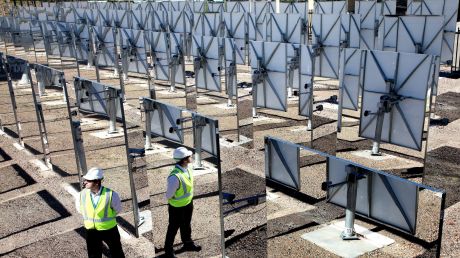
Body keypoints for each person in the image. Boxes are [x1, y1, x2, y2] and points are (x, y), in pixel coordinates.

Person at [76, 167, 125, 258]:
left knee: (117, 253)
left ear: (97, 182)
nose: (85, 182)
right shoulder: (81, 194)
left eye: (88, 180)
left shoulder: (111, 194)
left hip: (109, 230)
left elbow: (118, 210)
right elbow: (80, 210)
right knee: (93, 255)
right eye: (85, 180)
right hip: (91, 231)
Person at [164, 147, 202, 258]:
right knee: (173, 229)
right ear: (185, 160)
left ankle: (188, 244)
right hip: (176, 207)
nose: (191, 157)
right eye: (189, 156)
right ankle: (168, 251)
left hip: (188, 204)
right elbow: (168, 195)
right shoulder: (175, 177)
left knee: (186, 225)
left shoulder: (188, 168)